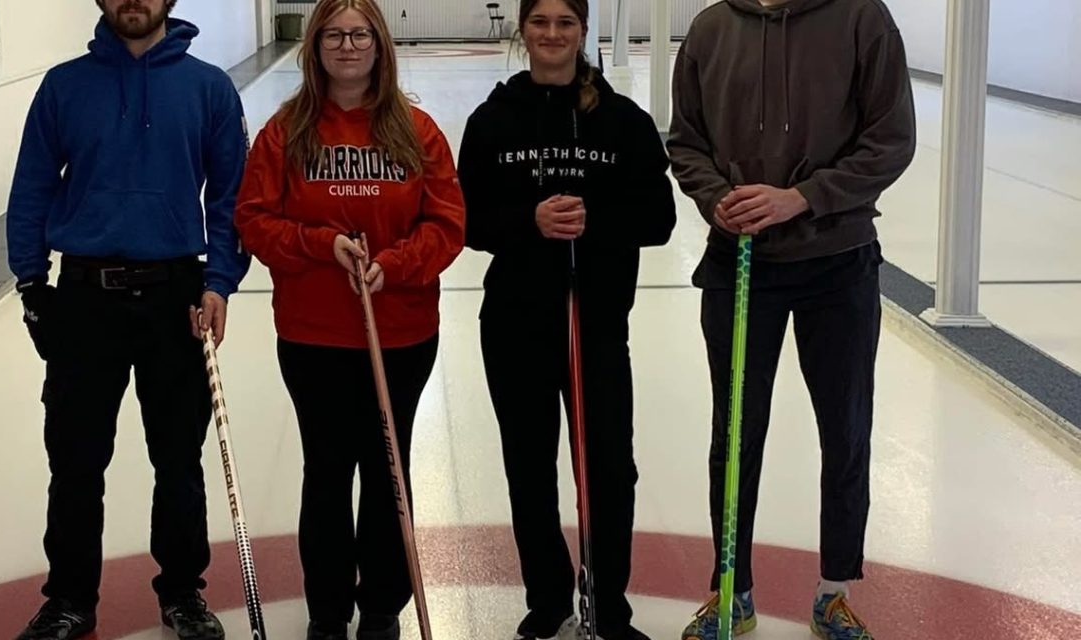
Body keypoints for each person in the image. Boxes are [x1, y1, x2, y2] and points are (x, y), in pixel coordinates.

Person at [666, 0, 916, 638]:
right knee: (736, 432)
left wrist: (803, 197)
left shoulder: (863, 19)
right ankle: (733, 591)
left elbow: (890, 141)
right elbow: (686, 141)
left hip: (838, 263)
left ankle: (834, 590)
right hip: (740, 261)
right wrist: (716, 197)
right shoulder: (711, 28)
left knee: (845, 426)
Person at [5, 1, 251, 638]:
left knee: (178, 459)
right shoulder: (65, 86)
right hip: (86, 297)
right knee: (76, 460)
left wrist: (221, 280)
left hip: (176, 296)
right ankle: (69, 599)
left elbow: (232, 198)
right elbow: (31, 186)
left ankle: (182, 594)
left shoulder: (208, 88)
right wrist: (33, 283)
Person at [233, 0, 465, 638]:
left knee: (388, 466)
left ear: (379, 45)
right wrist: (318, 244)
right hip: (315, 336)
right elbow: (253, 219)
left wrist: (395, 263)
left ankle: (383, 606)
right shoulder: (285, 133)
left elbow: (448, 224)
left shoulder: (418, 132)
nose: (346, 45)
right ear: (314, 47)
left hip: (401, 333)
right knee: (328, 470)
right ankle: (329, 612)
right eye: (333, 34)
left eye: (359, 33)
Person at [458, 0, 677, 637]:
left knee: (609, 467)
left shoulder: (623, 121)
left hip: (599, 323)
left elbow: (659, 220)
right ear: (522, 31)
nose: (552, 35)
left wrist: (593, 219)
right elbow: (466, 221)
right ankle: (548, 597)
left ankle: (608, 604)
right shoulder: (493, 120)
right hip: (516, 323)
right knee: (528, 464)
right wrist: (529, 221)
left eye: (565, 24)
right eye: (540, 22)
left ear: (582, 32)